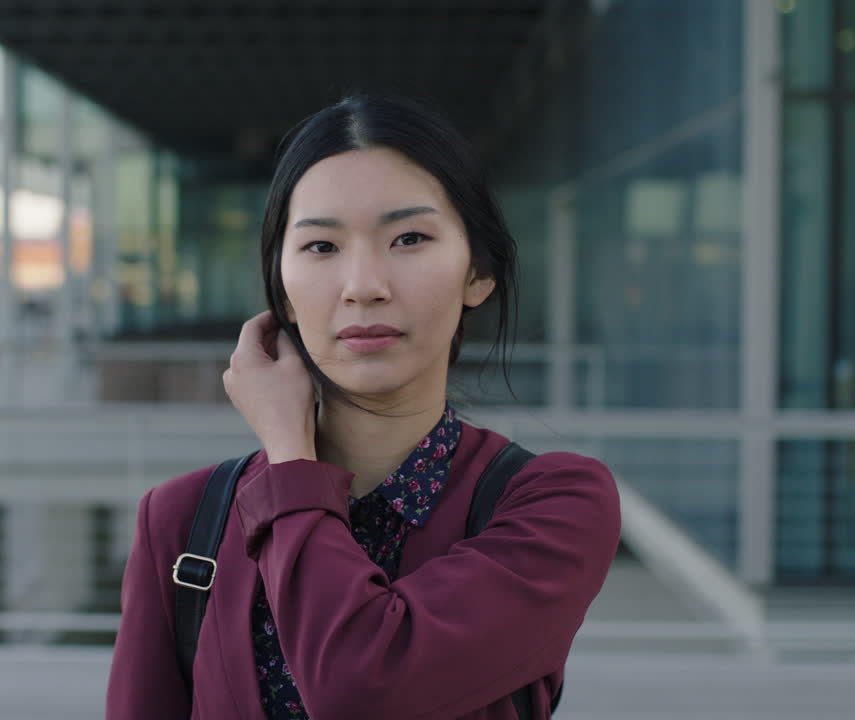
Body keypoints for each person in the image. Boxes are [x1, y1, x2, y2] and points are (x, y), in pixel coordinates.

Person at [106, 93, 621, 719]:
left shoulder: (553, 505)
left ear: (477, 274)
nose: (363, 287)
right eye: (322, 247)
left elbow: (360, 687)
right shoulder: (182, 520)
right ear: (283, 292)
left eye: (409, 238)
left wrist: (290, 458)